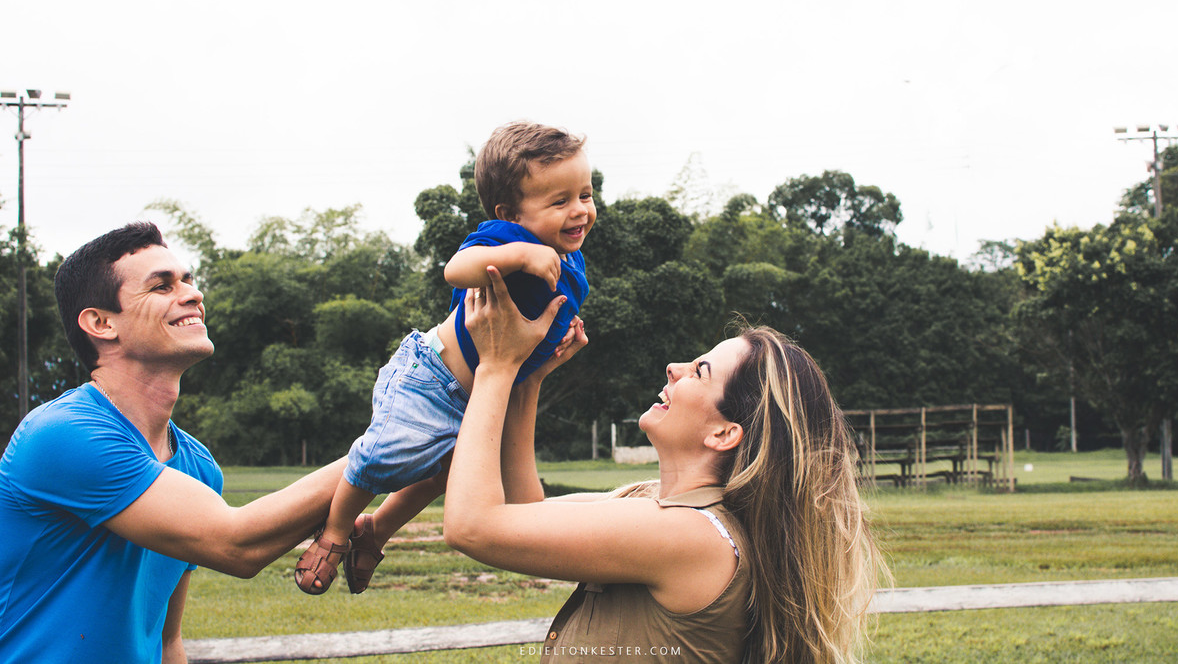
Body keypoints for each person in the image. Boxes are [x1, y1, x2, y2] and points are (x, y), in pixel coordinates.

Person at [443, 267, 885, 664]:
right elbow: (524, 513)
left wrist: (496, 367)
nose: (674, 368)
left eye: (700, 371)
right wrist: (528, 379)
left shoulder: (692, 535)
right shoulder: (657, 506)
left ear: (724, 433)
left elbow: (473, 526)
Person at [0, 222, 347, 664]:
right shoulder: (64, 435)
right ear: (102, 323)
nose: (192, 294)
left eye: (187, 280)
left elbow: (167, 641)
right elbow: (238, 546)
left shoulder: (198, 466)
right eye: (162, 286)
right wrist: (388, 443)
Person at [294, 121, 595, 595]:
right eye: (560, 201)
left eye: (586, 195)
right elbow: (456, 270)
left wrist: (553, 344)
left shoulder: (568, 254)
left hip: (477, 397)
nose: (579, 210)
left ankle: (375, 532)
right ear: (510, 214)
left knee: (446, 473)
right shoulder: (505, 240)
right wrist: (519, 254)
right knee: (380, 457)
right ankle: (335, 531)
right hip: (432, 378)